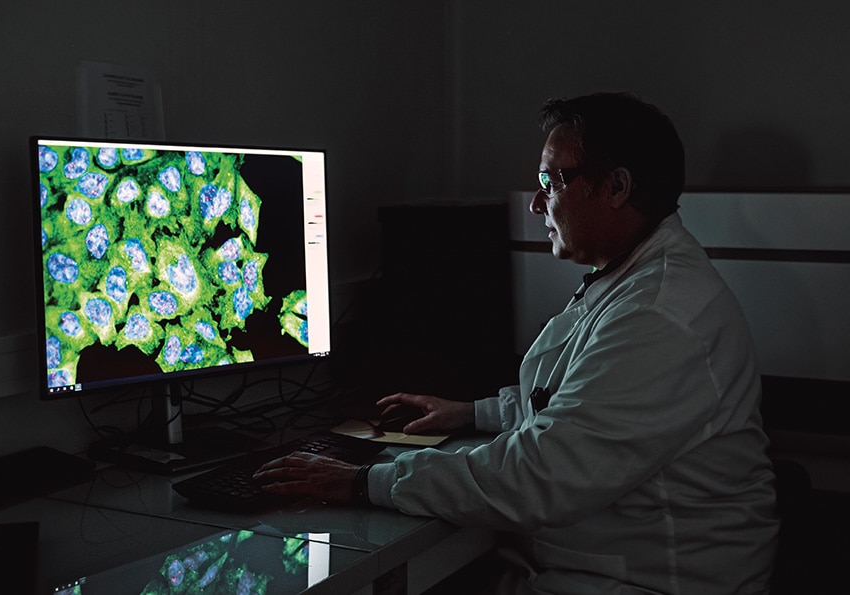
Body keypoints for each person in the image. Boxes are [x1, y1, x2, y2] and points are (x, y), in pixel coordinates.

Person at [255, 92, 780, 594]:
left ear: (617, 188)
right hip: (594, 566)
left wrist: (362, 482)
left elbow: (538, 476)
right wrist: (470, 413)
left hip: (645, 582)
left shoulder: (659, 315)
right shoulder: (634, 279)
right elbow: (580, 401)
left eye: (552, 180)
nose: (535, 203)